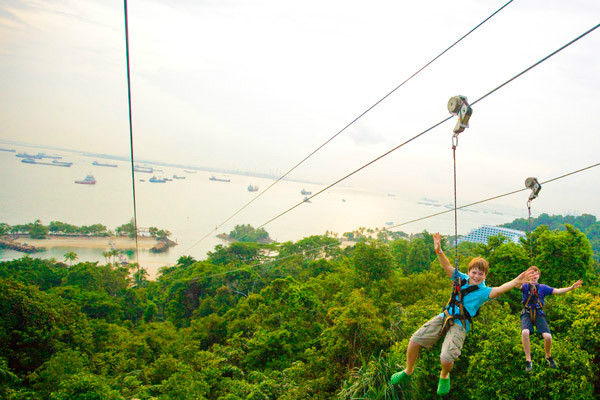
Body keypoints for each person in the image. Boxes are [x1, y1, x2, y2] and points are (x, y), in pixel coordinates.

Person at [390, 232, 537, 396]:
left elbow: (499, 289)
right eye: (474, 272)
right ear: (468, 271)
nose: (476, 276)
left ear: (485, 276)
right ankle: (408, 370)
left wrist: (517, 281)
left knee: (446, 358)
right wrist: (439, 251)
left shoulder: (484, 291)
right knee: (415, 340)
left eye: (480, 274)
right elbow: (447, 267)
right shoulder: (461, 279)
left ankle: (444, 374)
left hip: (461, 324)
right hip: (445, 316)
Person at [520, 266, 582, 372]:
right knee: (525, 332)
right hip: (527, 312)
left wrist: (571, 288)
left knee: (548, 337)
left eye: (536, 273)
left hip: (539, 313)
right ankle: (528, 360)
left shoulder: (543, 288)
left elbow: (557, 291)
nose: (534, 275)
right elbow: (516, 285)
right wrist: (524, 279)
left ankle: (548, 356)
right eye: (532, 273)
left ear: (539, 276)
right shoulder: (525, 286)